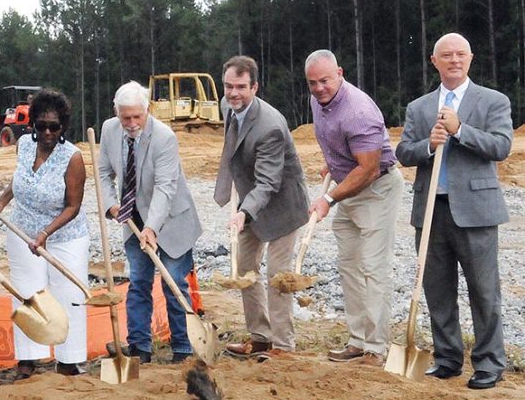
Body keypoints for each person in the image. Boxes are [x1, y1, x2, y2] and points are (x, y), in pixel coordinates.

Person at [395, 33, 512, 389]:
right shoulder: (419, 107)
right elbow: (403, 153)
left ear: (471, 58)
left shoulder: (493, 101)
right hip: (431, 211)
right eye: (446, 55)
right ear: (435, 62)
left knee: (484, 290)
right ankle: (447, 358)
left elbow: (501, 146)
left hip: (476, 210)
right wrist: (427, 146)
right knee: (437, 290)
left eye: (461, 54)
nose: (454, 60)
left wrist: (461, 130)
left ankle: (489, 362)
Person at [304, 50, 405, 367]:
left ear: (340, 73)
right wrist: (332, 163)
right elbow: (338, 143)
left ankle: (376, 348)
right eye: (313, 83)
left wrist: (329, 198)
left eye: (325, 80)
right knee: (349, 266)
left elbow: (370, 169)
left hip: (376, 189)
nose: (319, 88)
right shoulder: (317, 101)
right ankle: (358, 341)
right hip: (349, 184)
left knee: (373, 269)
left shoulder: (358, 111)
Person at [97, 81, 203, 363]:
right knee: (139, 281)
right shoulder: (109, 130)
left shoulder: (165, 137)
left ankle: (182, 348)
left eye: (137, 117)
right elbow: (104, 173)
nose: (131, 123)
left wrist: (151, 227)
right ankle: (140, 348)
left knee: (174, 282)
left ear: (147, 110)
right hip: (132, 217)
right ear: (117, 113)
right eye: (125, 117)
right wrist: (111, 204)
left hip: (171, 218)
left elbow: (165, 187)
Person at [216, 56, 309, 359]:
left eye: (241, 87)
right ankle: (260, 337)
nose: (234, 94)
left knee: (278, 276)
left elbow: (269, 182)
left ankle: (283, 346)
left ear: (255, 86)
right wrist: (240, 206)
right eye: (229, 86)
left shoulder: (270, 126)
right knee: (244, 268)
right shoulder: (225, 106)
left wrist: (244, 212)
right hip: (250, 199)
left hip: (283, 204)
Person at [0, 88, 88, 379]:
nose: (47, 132)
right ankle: (29, 358)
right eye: (41, 125)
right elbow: (21, 181)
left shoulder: (73, 158)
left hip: (64, 236)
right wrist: (2, 200)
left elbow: (73, 205)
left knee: (67, 294)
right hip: (22, 232)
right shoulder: (23, 145)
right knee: (27, 294)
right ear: (32, 124)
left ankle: (69, 360)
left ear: (63, 127)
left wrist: (46, 233)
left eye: (54, 126)